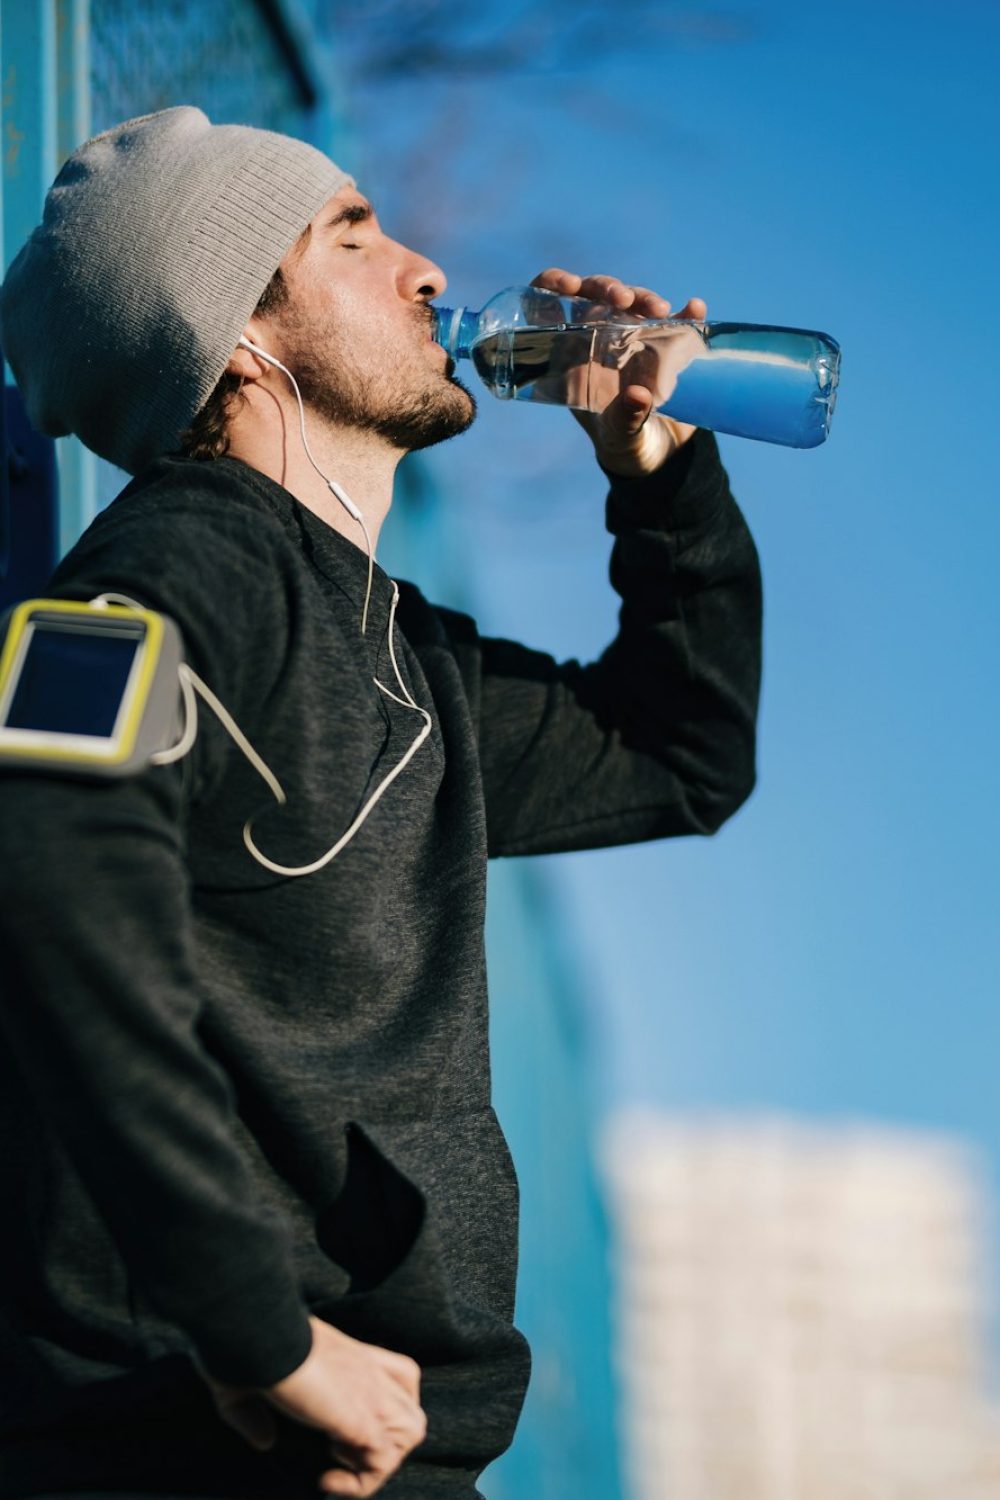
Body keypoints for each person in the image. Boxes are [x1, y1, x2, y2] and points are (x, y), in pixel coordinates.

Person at [0, 107, 762, 1500]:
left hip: (394, 1449)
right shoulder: (162, 575)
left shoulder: (417, 659)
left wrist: (662, 489)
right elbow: (46, 850)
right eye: (352, 233)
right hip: (194, 1436)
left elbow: (681, 758)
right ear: (238, 332)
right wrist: (258, 1330)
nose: (426, 269)